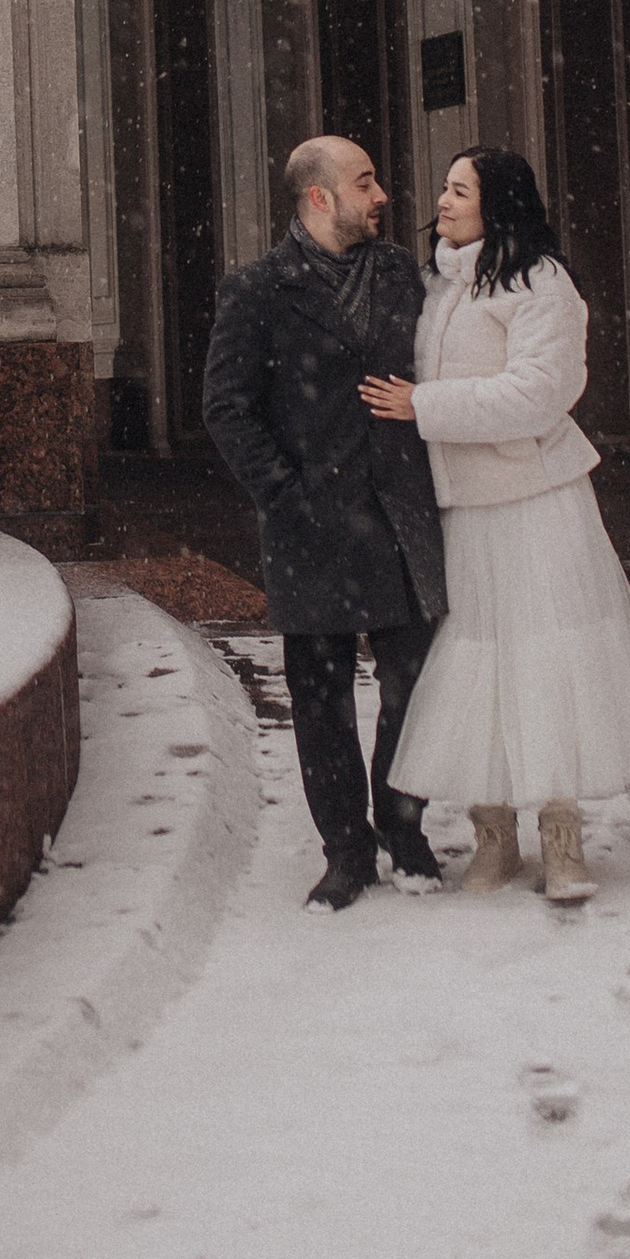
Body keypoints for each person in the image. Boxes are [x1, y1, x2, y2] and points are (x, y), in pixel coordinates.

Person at [360, 145, 630, 905]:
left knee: (545, 661)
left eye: (460, 191)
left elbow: (540, 393)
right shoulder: (438, 285)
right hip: (462, 509)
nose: (442, 201)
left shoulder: (541, 283)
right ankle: (493, 831)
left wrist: (424, 406)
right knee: (475, 669)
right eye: (444, 188)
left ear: (498, 205)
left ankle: (561, 835)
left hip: (535, 503)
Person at [202, 133, 451, 910]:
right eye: (364, 181)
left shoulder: (401, 272)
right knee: (321, 698)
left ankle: (403, 826)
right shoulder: (257, 290)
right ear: (320, 196)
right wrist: (288, 494)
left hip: (402, 518)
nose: (382, 195)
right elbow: (227, 408)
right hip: (312, 527)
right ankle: (346, 849)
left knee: (416, 685)